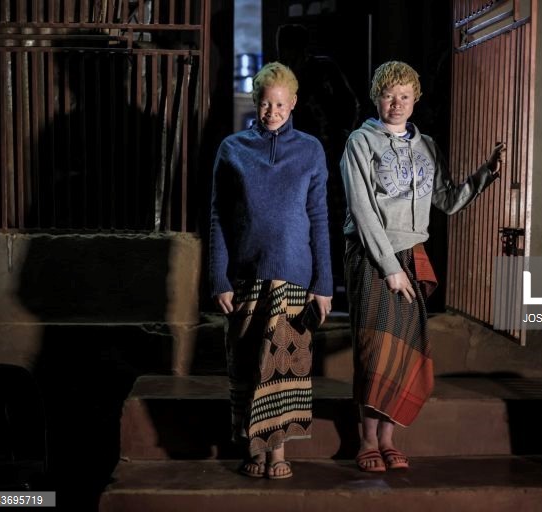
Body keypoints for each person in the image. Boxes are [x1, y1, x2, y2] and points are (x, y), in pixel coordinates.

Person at [340, 60, 504, 472]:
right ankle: (366, 440)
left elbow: (447, 200)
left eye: (405, 96)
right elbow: (362, 210)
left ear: (416, 100)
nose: (396, 103)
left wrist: (485, 175)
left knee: (405, 351)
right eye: (389, 95)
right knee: (375, 349)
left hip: (413, 254)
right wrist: (388, 267)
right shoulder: (361, 143)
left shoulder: (427, 145)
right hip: (372, 255)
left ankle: (389, 438)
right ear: (377, 97)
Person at [208, 61, 333, 480]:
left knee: (281, 370)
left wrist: (325, 284)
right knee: (247, 364)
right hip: (246, 275)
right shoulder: (232, 149)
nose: (272, 112)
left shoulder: (311, 150)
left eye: (280, 104)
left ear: (293, 102)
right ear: (255, 101)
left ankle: (277, 450)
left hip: (294, 276)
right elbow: (219, 217)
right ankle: (253, 448)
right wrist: (219, 277)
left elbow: (319, 216)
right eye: (265, 103)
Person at [276, 23, 360, 300]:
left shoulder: (321, 69)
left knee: (334, 216)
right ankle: (310, 278)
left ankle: (338, 279)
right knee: (302, 218)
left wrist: (340, 135)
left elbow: (349, 105)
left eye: (289, 46)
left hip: (327, 153)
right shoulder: (282, 76)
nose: (286, 52)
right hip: (297, 160)